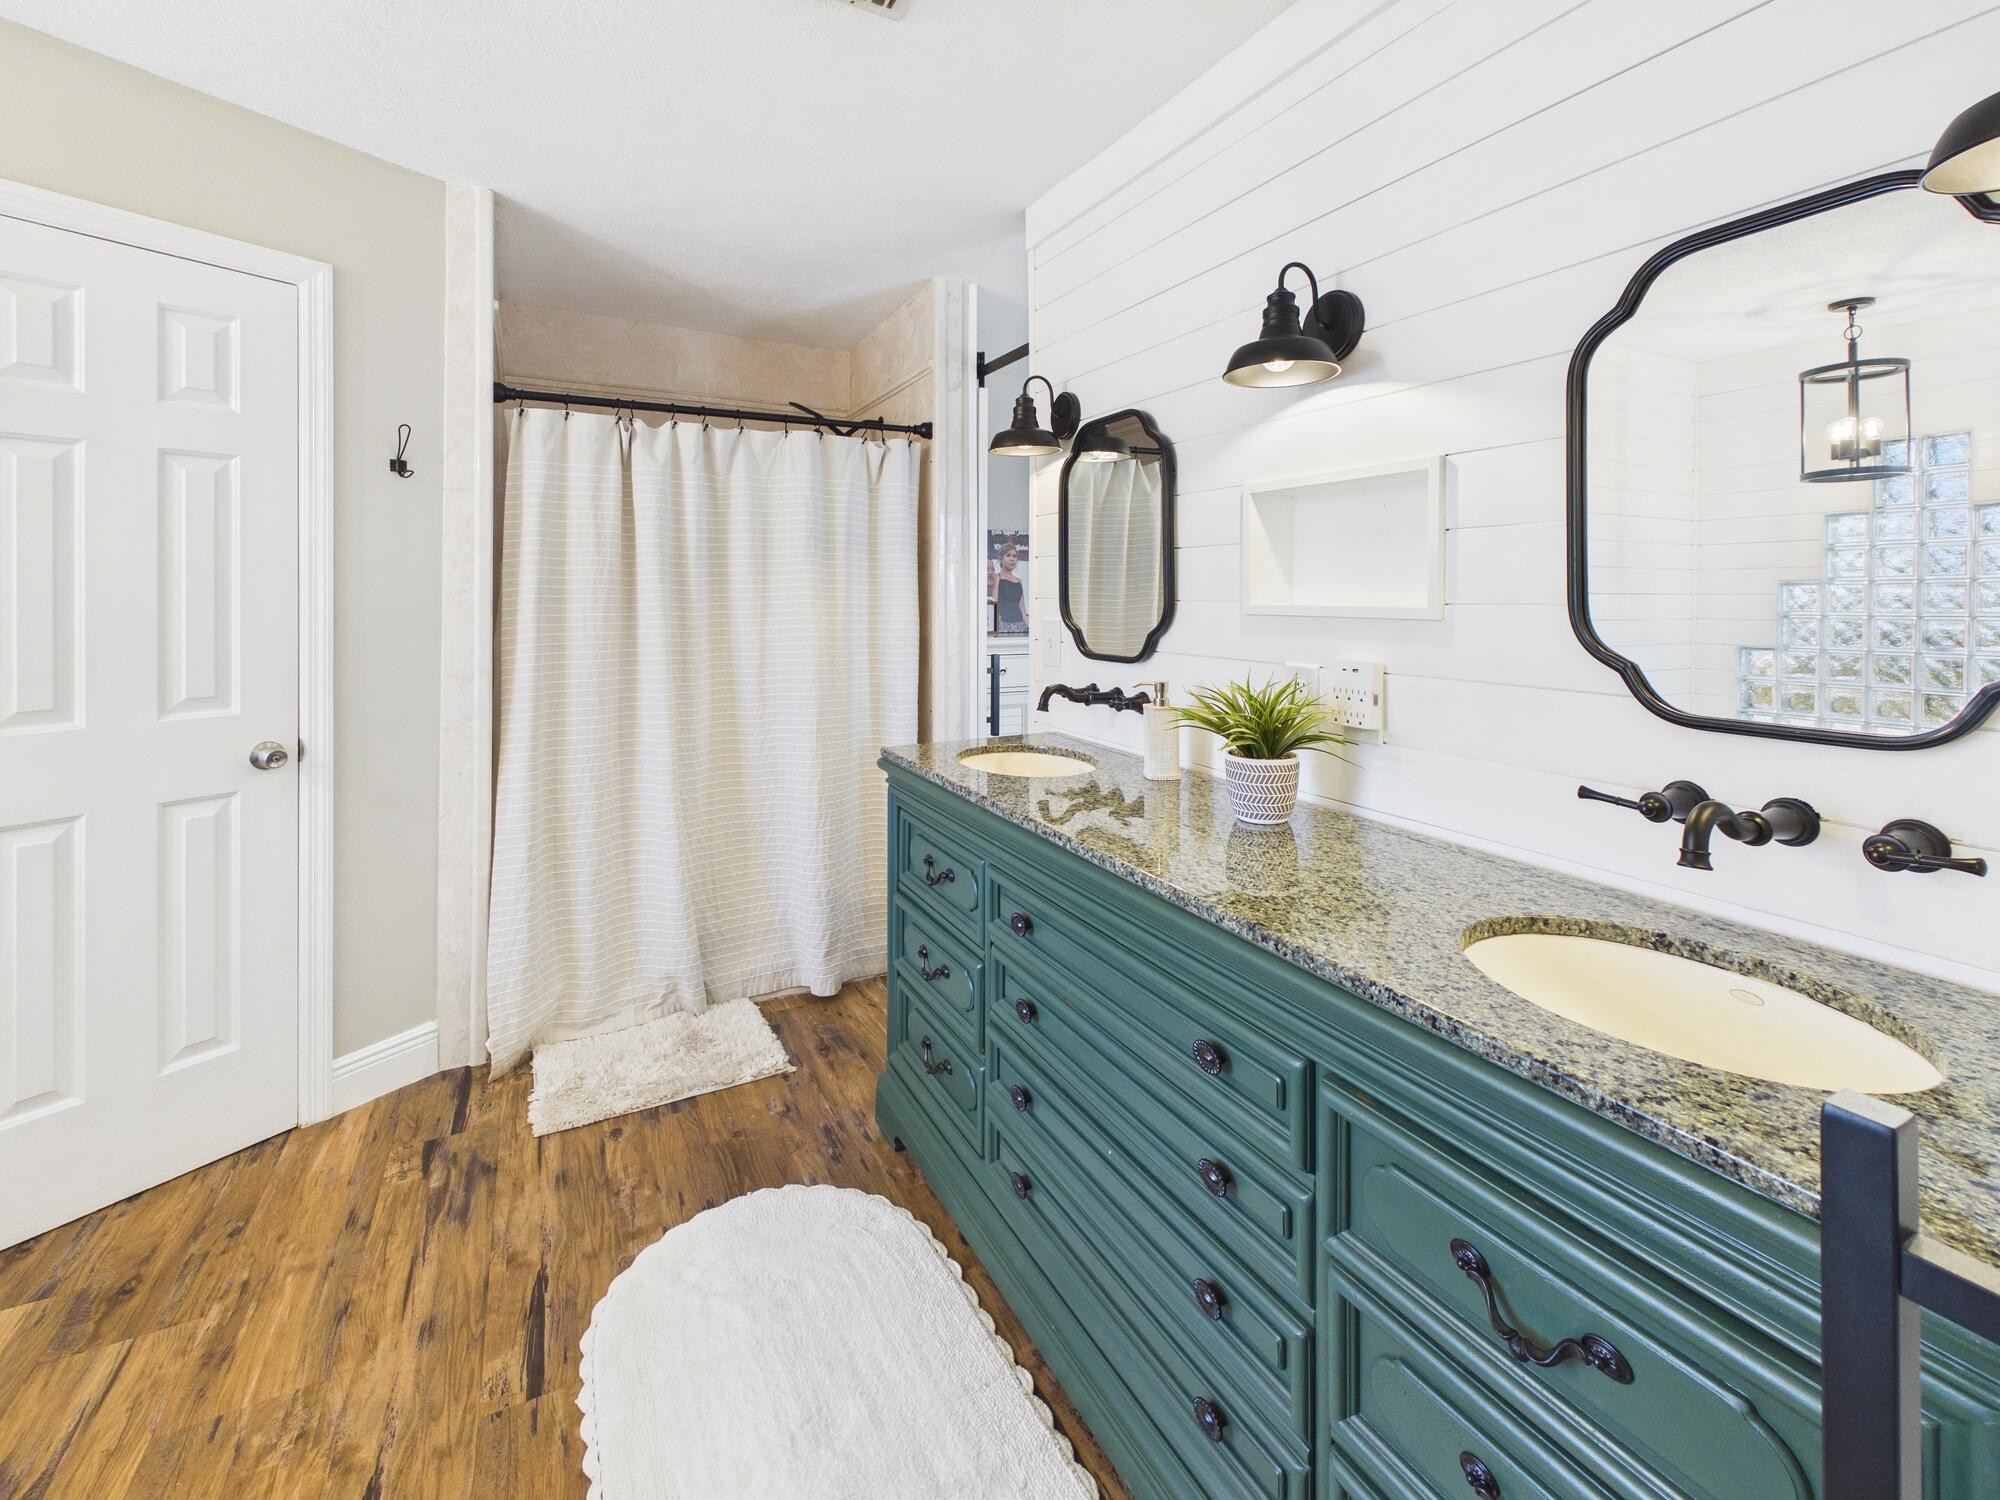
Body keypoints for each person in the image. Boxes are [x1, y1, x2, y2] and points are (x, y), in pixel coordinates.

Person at [990, 547, 1028, 634]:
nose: (1012, 559)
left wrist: (1028, 625)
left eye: (1014, 556)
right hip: (1003, 625)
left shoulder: (1019, 581)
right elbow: (994, 602)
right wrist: (996, 626)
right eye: (1008, 555)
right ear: (1001, 559)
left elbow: (1022, 606)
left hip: (1020, 625)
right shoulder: (997, 577)